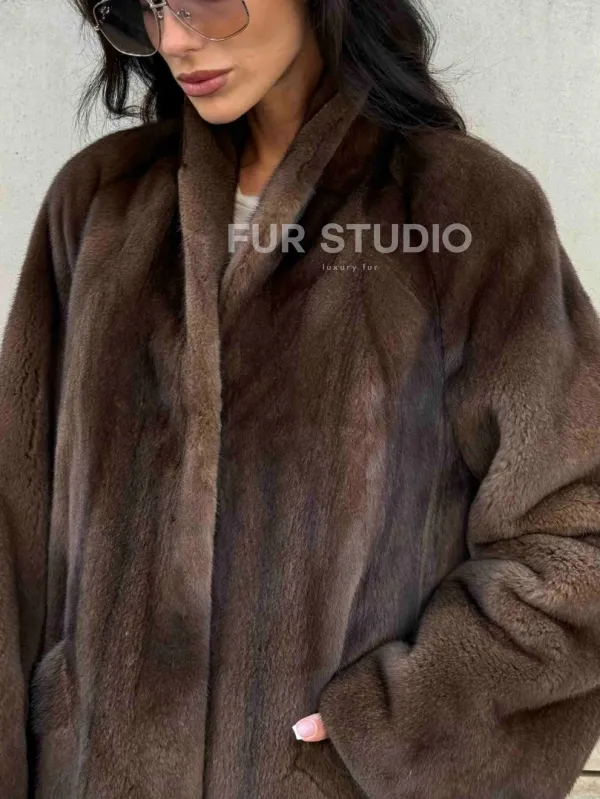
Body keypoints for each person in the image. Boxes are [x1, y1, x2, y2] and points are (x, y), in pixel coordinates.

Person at [2, 0, 600, 796]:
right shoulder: (99, 205)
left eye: (203, 0)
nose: (173, 40)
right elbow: (13, 522)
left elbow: (576, 543)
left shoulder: (461, 213)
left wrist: (391, 728)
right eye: (145, 8)